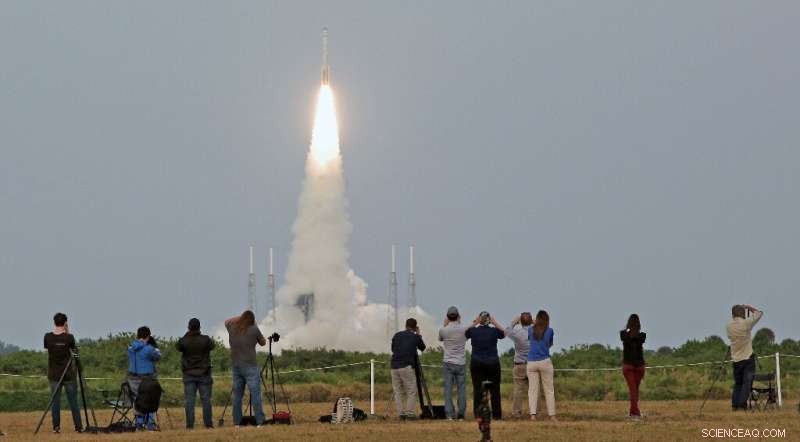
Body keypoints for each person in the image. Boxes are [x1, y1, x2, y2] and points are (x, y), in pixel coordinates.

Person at [225, 310, 267, 427]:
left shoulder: (232, 328)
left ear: (242, 318)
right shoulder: (254, 329)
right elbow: (263, 342)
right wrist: (254, 324)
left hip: (236, 366)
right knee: (255, 394)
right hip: (251, 366)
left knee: (237, 396)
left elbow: (226, 321)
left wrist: (241, 317)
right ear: (252, 320)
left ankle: (237, 422)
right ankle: (259, 421)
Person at [43, 312, 82, 434]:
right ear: (65, 323)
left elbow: (48, 348)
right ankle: (78, 427)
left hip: (54, 375)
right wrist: (67, 330)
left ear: (54, 322)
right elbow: (73, 349)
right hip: (69, 374)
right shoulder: (69, 337)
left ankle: (56, 427)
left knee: (55, 402)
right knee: (73, 401)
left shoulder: (47, 337)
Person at [176, 318, 215, 429]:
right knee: (206, 400)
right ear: (199, 327)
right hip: (204, 373)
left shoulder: (184, 340)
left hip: (189, 374)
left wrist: (187, 334)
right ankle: (208, 425)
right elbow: (212, 346)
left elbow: (178, 346)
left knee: (189, 401)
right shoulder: (205, 339)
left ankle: (190, 425)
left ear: (188, 327)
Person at [465, 311, 505, 419]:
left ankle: (478, 414)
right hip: (493, 363)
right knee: (495, 390)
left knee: (477, 389)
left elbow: (465, 333)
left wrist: (475, 323)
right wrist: (495, 322)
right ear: (489, 321)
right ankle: (497, 415)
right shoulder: (494, 331)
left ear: (479, 320)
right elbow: (504, 334)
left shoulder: (473, 331)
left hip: (477, 363)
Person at [726, 304, 763, 411]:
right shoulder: (746, 323)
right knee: (747, 383)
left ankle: (735, 405)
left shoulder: (728, 326)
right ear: (742, 313)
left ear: (733, 314)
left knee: (738, 384)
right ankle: (742, 405)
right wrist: (749, 307)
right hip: (747, 359)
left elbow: (730, 336)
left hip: (736, 360)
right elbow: (759, 313)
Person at [391, 317, 426, 420]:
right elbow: (422, 347)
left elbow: (393, 349)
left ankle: (401, 414)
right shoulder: (415, 336)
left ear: (406, 325)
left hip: (394, 366)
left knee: (398, 391)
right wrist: (418, 335)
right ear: (415, 327)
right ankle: (410, 413)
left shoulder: (397, 335)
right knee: (411, 390)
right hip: (406, 366)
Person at [127, 326, 162, 430]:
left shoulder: (131, 348)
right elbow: (158, 356)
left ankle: (139, 423)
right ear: (148, 336)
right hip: (147, 378)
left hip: (132, 378)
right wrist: (155, 348)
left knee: (137, 400)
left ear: (137, 335)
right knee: (150, 399)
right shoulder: (149, 349)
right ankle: (150, 424)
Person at [438, 306, 468, 420]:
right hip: (460, 362)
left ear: (447, 317)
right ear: (458, 316)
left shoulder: (443, 330)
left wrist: (445, 325)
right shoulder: (464, 329)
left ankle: (449, 414)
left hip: (448, 362)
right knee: (461, 389)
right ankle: (461, 414)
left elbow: (440, 339)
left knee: (448, 389)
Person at [527, 310, 556, 421]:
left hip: (531, 362)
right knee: (549, 390)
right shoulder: (550, 331)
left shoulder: (530, 330)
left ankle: (533, 415)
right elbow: (550, 344)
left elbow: (531, 337)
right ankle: (552, 415)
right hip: (544, 361)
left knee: (532, 390)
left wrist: (534, 322)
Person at [506, 312, 533, 418]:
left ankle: (516, 412)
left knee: (518, 390)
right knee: (534, 389)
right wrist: (533, 322)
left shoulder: (517, 333)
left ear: (520, 321)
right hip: (533, 364)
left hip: (519, 364)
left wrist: (514, 322)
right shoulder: (536, 332)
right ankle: (535, 412)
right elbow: (544, 329)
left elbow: (507, 330)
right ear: (531, 321)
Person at [620, 314, 646, 420]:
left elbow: (629, 339)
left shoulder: (624, 334)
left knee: (634, 390)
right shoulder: (642, 335)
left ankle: (633, 413)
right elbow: (634, 339)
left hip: (630, 365)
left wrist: (629, 329)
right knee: (634, 390)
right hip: (638, 366)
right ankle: (636, 413)